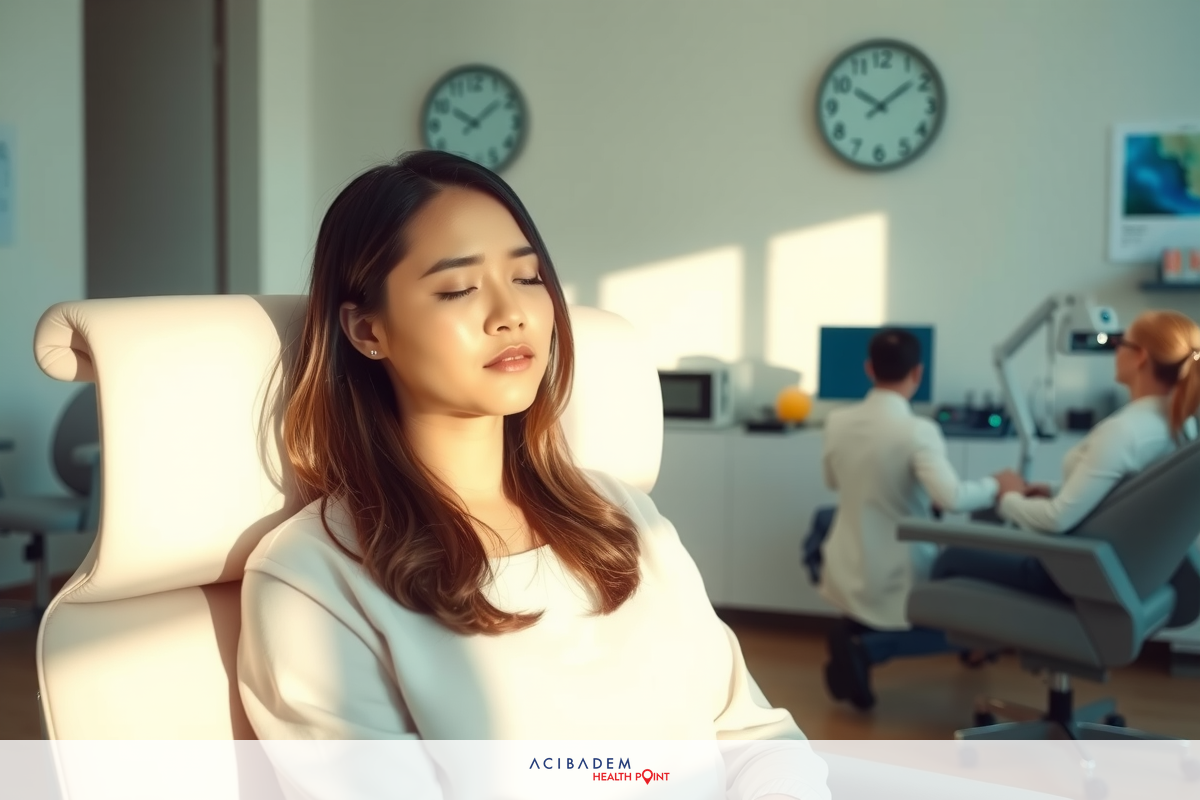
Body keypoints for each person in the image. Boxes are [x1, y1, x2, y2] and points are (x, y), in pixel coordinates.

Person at [236, 151, 828, 800]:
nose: (510, 314)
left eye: (527, 278)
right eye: (458, 288)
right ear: (367, 329)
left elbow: (755, 736)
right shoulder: (313, 576)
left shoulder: (621, 512)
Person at [932, 309, 1200, 598]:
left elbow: (1056, 520)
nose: (1114, 350)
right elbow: (1126, 492)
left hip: (1068, 574)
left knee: (950, 558)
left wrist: (1008, 496)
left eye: (1121, 342)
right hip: (1115, 572)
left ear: (1141, 357)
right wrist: (1052, 488)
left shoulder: (1125, 432)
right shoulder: (1178, 425)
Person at [818, 328, 1019, 710]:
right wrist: (999, 483)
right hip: (899, 571)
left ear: (869, 368)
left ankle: (857, 638)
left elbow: (832, 481)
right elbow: (953, 498)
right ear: (918, 373)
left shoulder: (837, 421)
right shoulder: (918, 430)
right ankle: (867, 650)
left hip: (847, 562)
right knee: (973, 620)